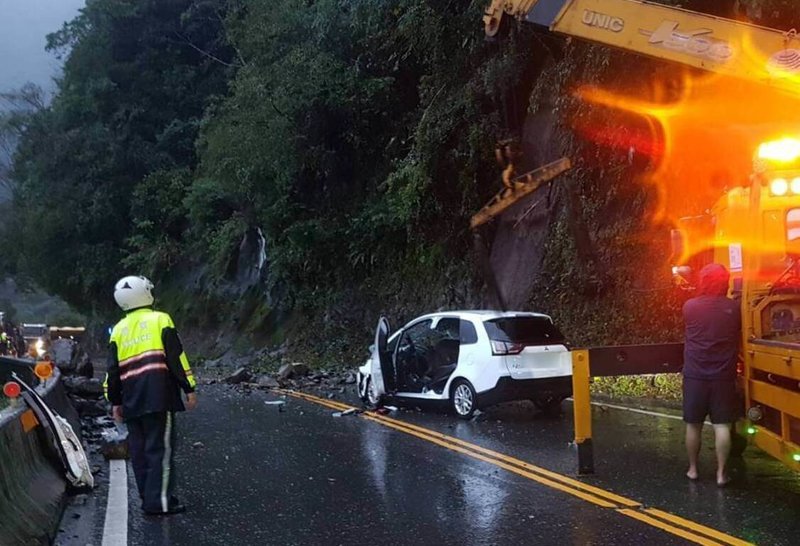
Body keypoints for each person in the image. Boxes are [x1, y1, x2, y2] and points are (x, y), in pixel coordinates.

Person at [104, 275, 197, 515]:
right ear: (144, 294)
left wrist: (114, 401)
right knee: (160, 451)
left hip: (131, 401)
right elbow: (176, 358)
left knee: (140, 451)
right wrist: (189, 387)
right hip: (159, 397)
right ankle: (161, 502)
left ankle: (149, 497)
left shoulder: (118, 331)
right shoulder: (160, 320)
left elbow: (112, 372)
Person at [682, 263, 741, 486]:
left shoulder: (690, 306)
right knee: (722, 426)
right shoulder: (734, 308)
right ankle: (721, 474)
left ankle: (693, 469)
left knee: (693, 424)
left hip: (695, 374)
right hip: (723, 376)